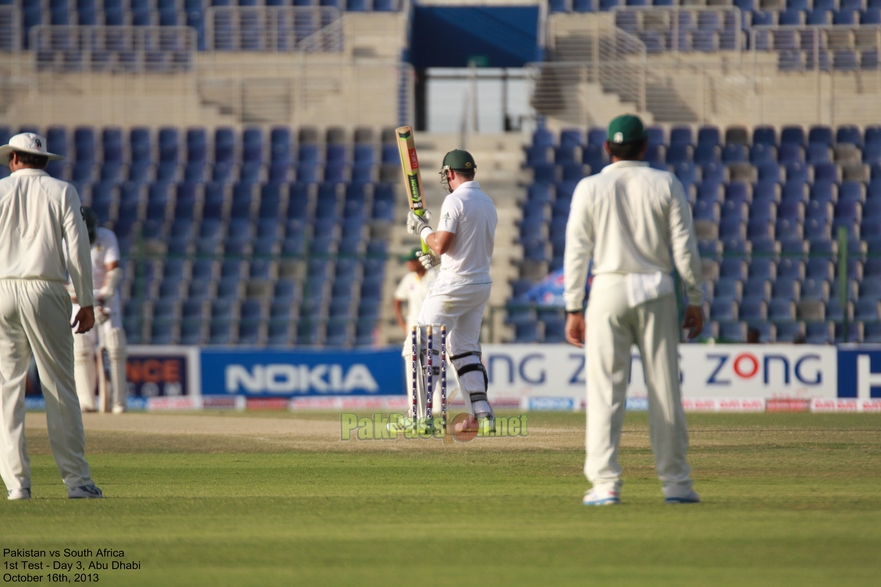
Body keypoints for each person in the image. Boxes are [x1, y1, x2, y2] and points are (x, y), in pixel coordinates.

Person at [563, 115, 704, 506]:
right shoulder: (665, 182)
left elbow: (577, 250)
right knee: (664, 389)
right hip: (656, 288)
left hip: (607, 288)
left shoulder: (589, 186)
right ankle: (676, 484)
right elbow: (685, 246)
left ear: (607, 148)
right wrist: (694, 296)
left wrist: (573, 306)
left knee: (606, 390)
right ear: (645, 147)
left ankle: (605, 483)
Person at [0, 132, 103, 500]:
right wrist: (86, 302)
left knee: (7, 389)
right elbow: (77, 250)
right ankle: (77, 482)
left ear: (14, 158)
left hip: (2, 289)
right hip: (45, 288)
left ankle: (16, 485)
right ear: (44, 161)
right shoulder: (62, 191)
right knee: (59, 385)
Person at [406, 149, 497, 432]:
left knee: (422, 345)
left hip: (453, 286)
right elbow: (465, 246)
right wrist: (438, 258)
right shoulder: (487, 202)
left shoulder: (454, 200)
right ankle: (481, 413)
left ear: (450, 173)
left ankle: (420, 419)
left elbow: (441, 242)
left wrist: (423, 229)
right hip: (479, 284)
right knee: (464, 349)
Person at [68, 207, 127, 414]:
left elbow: (114, 271)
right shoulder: (64, 240)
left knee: (115, 346)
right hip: (77, 298)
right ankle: (87, 403)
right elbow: (60, 280)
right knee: (81, 349)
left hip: (105, 298)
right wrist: (80, 299)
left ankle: (118, 402)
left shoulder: (106, 236)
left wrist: (103, 297)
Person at [393, 247, 439, 419]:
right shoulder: (409, 279)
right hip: (413, 327)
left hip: (433, 326)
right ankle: (415, 410)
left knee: (433, 365)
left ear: (420, 260)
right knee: (414, 364)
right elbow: (397, 300)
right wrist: (401, 322)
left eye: (411, 260)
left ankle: (436, 410)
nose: (408, 264)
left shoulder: (435, 276)